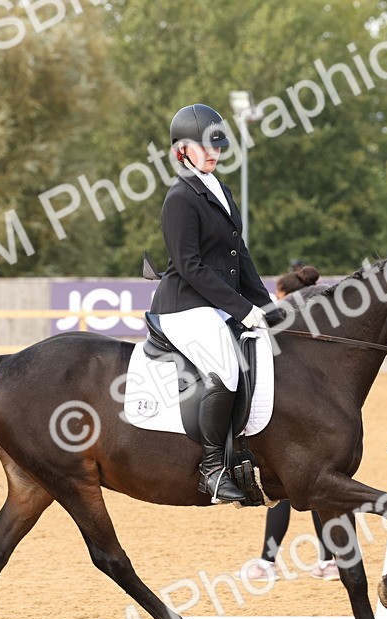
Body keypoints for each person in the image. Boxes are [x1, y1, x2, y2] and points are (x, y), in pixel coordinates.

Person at [150, 102, 284, 504]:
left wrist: (267, 302)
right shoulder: (180, 198)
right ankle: (211, 469)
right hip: (183, 306)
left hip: (214, 304)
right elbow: (189, 266)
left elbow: (238, 256)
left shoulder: (220, 191)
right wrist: (243, 309)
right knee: (225, 370)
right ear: (181, 151)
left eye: (217, 145)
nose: (212, 153)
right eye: (203, 146)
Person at [247, 261, 339, 580]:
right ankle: (327, 560)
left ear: (287, 295)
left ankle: (268, 562)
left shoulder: (283, 319)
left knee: (285, 489)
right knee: (312, 488)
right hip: (319, 414)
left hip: (289, 413)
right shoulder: (319, 321)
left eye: (279, 296)